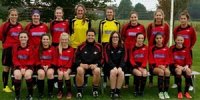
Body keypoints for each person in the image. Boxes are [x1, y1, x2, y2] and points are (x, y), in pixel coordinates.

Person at [0, 8, 23, 93]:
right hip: (8, 49)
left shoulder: (19, 25)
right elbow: (1, 36)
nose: (14, 16)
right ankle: (5, 86)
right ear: (9, 15)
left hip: (17, 49)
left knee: (14, 67)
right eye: (12, 15)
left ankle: (14, 84)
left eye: (15, 15)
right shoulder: (5, 25)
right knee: (6, 68)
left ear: (17, 16)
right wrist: (6, 44)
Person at [75, 29, 102, 99]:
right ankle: (79, 91)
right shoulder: (81, 46)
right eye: (89, 35)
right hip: (84, 66)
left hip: (94, 66)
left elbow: (102, 59)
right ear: (86, 36)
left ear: (94, 36)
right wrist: (81, 64)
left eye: (92, 35)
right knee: (79, 70)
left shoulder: (99, 46)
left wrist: (96, 65)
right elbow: (75, 58)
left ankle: (95, 90)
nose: (90, 37)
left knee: (97, 70)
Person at [121, 11, 146, 88]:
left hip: (136, 50)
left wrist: (138, 46)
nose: (133, 19)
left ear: (137, 18)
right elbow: (122, 37)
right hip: (127, 50)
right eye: (132, 17)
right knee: (127, 66)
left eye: (135, 17)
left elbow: (143, 37)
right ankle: (127, 83)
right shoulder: (126, 27)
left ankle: (136, 83)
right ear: (130, 18)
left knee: (136, 64)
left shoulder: (141, 27)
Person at [172, 10, 196, 90]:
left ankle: (190, 84)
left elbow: (194, 39)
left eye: (184, 18)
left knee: (188, 67)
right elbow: (175, 38)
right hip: (178, 51)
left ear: (187, 19)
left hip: (187, 51)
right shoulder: (176, 29)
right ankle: (176, 82)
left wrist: (190, 47)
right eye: (181, 18)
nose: (183, 20)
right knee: (177, 66)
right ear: (179, 19)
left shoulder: (191, 29)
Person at [98, 6, 120, 87]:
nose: (109, 13)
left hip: (113, 45)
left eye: (111, 12)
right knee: (105, 63)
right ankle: (104, 80)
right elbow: (100, 36)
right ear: (106, 13)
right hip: (104, 45)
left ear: (113, 13)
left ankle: (113, 79)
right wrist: (99, 46)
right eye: (108, 12)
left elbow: (118, 36)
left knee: (113, 62)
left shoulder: (117, 23)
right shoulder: (102, 22)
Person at [147, 9, 169, 87]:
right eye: (157, 15)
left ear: (162, 16)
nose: (158, 17)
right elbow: (149, 36)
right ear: (154, 16)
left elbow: (167, 37)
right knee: (152, 64)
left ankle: (163, 80)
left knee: (161, 61)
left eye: (160, 15)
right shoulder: (151, 25)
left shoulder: (165, 25)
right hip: (152, 47)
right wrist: (152, 45)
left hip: (161, 46)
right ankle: (151, 81)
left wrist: (162, 45)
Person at [104, 31, 127, 99]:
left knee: (121, 73)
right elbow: (107, 58)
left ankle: (117, 91)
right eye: (113, 37)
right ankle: (112, 91)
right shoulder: (107, 46)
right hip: (109, 66)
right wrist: (114, 67)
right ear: (111, 38)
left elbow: (124, 58)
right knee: (113, 72)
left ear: (119, 38)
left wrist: (120, 67)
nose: (115, 38)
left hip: (120, 65)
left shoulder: (123, 46)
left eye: (116, 37)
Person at [12, 32, 35, 100]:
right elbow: (14, 59)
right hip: (18, 66)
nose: (23, 38)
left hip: (28, 66)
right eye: (21, 37)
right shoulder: (15, 47)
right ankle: (17, 96)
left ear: (27, 38)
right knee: (17, 75)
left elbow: (32, 59)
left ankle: (30, 95)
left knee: (27, 75)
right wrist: (20, 67)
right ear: (19, 38)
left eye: (25, 37)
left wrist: (25, 68)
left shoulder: (31, 47)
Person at [149, 32, 170, 99]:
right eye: (157, 38)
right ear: (155, 39)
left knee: (167, 72)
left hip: (164, 66)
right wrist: (159, 66)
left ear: (163, 39)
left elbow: (168, 59)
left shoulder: (166, 48)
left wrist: (164, 66)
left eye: (160, 38)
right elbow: (151, 60)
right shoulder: (151, 48)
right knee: (161, 72)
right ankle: (160, 92)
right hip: (154, 67)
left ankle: (165, 92)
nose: (159, 39)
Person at [35, 34, 57, 99]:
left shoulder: (53, 48)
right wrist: (42, 66)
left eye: (47, 39)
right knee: (41, 74)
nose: (45, 41)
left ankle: (50, 92)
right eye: (44, 39)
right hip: (40, 66)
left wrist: (48, 65)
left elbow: (55, 59)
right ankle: (40, 93)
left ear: (49, 40)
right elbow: (36, 60)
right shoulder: (38, 49)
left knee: (50, 73)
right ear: (41, 40)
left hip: (50, 66)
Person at [56, 33, 75, 99]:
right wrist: (60, 67)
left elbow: (71, 60)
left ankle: (69, 92)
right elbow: (57, 59)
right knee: (60, 74)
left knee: (66, 74)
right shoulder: (58, 48)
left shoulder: (71, 49)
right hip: (60, 67)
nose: (64, 41)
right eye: (63, 39)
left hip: (68, 67)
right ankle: (60, 91)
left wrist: (67, 68)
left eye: (65, 39)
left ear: (68, 40)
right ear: (60, 40)